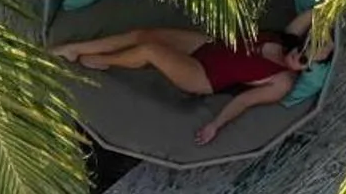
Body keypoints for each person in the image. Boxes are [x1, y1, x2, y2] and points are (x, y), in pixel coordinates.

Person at [52, 11, 321, 145]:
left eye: (305, 60)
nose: (300, 54)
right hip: (207, 46)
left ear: (305, 70)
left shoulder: (282, 82)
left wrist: (216, 124)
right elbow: (315, 11)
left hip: (203, 76)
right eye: (305, 47)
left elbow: (245, 101)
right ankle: (76, 48)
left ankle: (102, 61)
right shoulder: (287, 38)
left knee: (149, 51)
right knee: (142, 35)